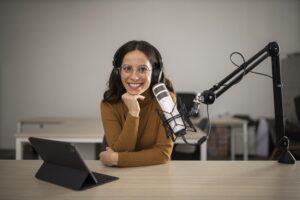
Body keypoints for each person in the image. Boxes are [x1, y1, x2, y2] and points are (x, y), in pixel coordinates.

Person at [99, 40, 176, 167]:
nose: (134, 77)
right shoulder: (108, 104)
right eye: (127, 68)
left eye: (142, 69)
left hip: (155, 175)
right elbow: (121, 152)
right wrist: (133, 113)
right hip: (119, 177)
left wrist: (117, 159)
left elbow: (163, 154)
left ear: (155, 73)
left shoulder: (166, 100)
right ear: (118, 72)